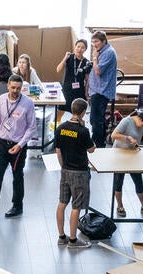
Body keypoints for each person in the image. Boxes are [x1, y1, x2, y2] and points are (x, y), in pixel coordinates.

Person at [0, 73, 36, 221]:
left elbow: (31, 128)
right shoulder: (2, 99)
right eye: (13, 87)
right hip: (2, 144)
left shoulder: (28, 103)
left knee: (17, 176)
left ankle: (17, 206)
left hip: (18, 146)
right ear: (8, 86)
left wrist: (20, 145)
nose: (15, 91)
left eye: (18, 88)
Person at [54, 97, 95, 248]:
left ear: (72, 110)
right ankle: (73, 240)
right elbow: (91, 149)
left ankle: (61, 237)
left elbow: (58, 151)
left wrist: (63, 167)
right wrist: (86, 130)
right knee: (76, 206)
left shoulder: (60, 128)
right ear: (83, 112)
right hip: (80, 172)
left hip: (65, 170)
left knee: (62, 202)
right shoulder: (83, 131)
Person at [88, 31, 117, 148]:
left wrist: (95, 58)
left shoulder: (108, 52)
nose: (94, 44)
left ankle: (98, 145)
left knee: (96, 120)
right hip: (97, 89)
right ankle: (99, 141)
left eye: (96, 41)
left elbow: (98, 71)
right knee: (96, 119)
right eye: (93, 42)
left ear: (104, 41)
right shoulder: (102, 51)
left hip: (101, 91)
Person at [57, 40, 91, 124]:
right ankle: (55, 129)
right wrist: (65, 58)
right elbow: (58, 69)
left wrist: (86, 93)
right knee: (59, 113)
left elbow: (87, 80)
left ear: (85, 49)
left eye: (82, 47)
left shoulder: (86, 62)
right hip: (67, 90)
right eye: (78, 46)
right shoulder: (69, 57)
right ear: (75, 47)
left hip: (79, 92)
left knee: (78, 116)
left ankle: (78, 130)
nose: (79, 49)